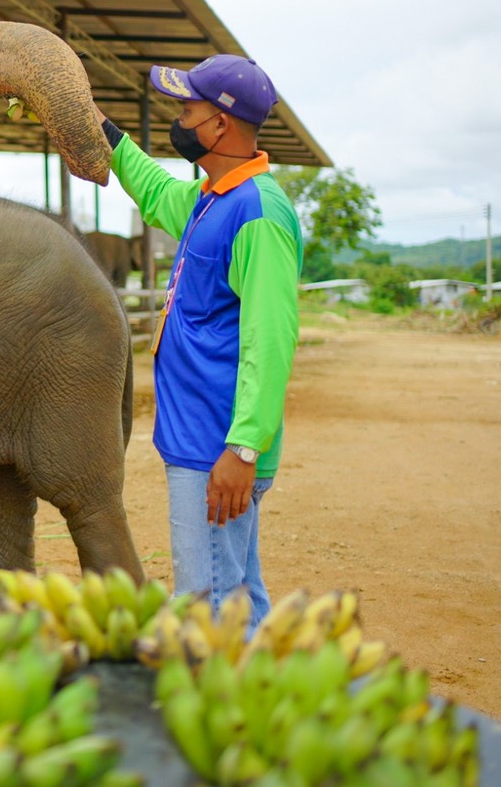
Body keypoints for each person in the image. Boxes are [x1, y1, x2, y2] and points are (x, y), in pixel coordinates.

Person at [99, 55, 302, 627]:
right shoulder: (212, 197)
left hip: (219, 445)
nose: (179, 119)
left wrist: (243, 450)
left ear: (219, 124)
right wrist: (109, 138)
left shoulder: (258, 214)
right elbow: (158, 190)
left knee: (205, 599)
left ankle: (217, 708)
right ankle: (254, 699)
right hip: (199, 435)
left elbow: (272, 337)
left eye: (188, 108)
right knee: (233, 589)